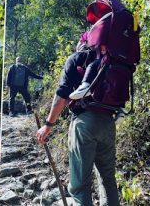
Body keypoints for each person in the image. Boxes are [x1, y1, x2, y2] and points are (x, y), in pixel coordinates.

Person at [36, 43, 120, 205]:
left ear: (82, 44)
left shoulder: (75, 59)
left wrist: (48, 125)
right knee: (108, 180)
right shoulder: (112, 62)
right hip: (109, 122)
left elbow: (61, 97)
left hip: (84, 123)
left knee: (80, 185)